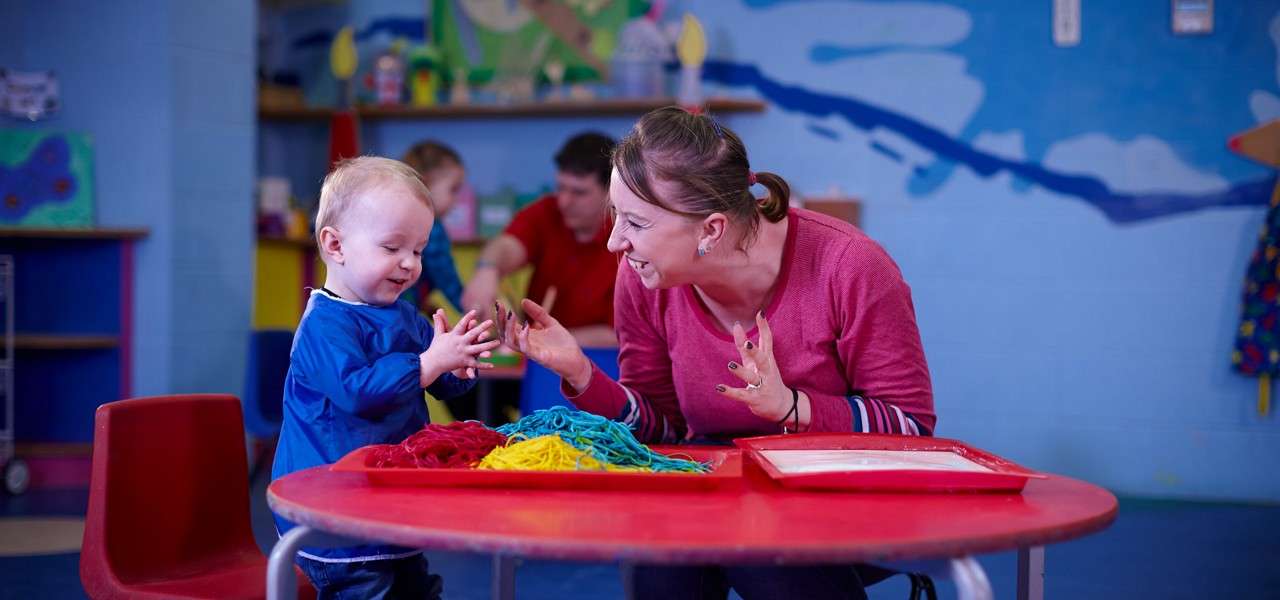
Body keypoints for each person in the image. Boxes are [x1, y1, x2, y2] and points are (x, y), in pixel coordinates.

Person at [497, 107, 935, 599]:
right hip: (715, 488)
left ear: (710, 230)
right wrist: (581, 372)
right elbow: (663, 427)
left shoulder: (851, 267)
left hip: (832, 496)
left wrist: (794, 408)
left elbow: (911, 429)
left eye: (636, 223)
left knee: (760, 550)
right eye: (615, 216)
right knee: (663, 562)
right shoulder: (643, 280)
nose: (616, 242)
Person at [271, 156, 499, 599]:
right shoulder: (323, 324)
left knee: (418, 589)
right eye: (392, 248)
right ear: (335, 246)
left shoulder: (403, 315)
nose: (409, 264)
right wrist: (429, 363)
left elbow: (437, 383)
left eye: (417, 250)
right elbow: (358, 392)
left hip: (388, 502)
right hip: (332, 511)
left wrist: (458, 366)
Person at [461, 131, 620, 348]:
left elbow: (619, 334)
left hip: (601, 365)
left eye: (579, 193)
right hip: (536, 361)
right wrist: (487, 269)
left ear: (610, 192)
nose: (564, 201)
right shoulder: (547, 211)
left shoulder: (627, 238)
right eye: (561, 188)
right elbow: (508, 246)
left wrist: (544, 341)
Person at [401, 140, 468, 312]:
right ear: (425, 184)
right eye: (453, 189)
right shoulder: (432, 227)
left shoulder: (402, 221)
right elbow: (446, 278)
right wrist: (472, 309)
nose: (456, 200)